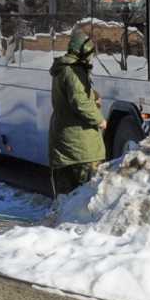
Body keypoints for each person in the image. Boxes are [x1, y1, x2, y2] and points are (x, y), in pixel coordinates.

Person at [49, 30, 108, 195]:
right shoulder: (74, 72)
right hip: (81, 147)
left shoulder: (63, 69)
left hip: (64, 141)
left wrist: (92, 96)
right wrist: (100, 120)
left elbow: (73, 96)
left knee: (65, 199)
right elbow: (79, 102)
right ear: (82, 52)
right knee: (85, 196)